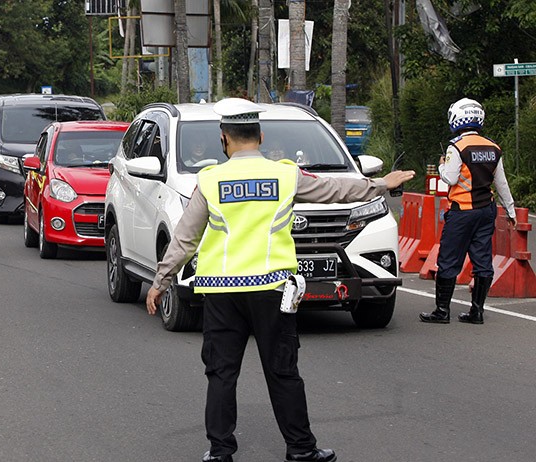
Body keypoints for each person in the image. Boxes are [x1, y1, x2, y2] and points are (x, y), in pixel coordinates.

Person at [145, 98, 416, 462]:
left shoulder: (209, 180)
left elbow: (185, 238)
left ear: (224, 138)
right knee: (283, 371)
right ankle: (301, 449)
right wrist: (381, 184)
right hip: (272, 290)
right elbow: (335, 189)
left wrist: (161, 281)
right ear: (260, 136)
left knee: (221, 373)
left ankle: (220, 452)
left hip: (222, 294)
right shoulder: (285, 175)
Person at [419, 98, 516, 325]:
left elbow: (450, 178)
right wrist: (510, 211)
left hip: (462, 211)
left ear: (457, 119)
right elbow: (501, 184)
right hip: (486, 211)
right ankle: (477, 312)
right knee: (482, 260)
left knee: (449, 259)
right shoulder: (493, 147)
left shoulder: (457, 147)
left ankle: (442, 311)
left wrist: (442, 165)